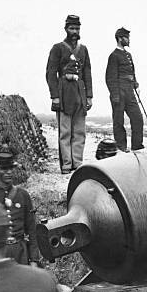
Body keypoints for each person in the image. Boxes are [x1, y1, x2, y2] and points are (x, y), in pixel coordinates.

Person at [0, 147, 39, 266]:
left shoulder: (23, 195)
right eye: (4, 169)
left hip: (21, 254)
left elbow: (32, 230)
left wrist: (34, 260)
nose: (9, 172)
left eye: (11, 168)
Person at [46, 14, 93, 173]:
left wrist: (89, 96)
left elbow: (87, 72)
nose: (74, 31)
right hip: (64, 92)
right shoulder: (57, 48)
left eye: (77, 28)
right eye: (72, 28)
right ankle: (66, 165)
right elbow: (50, 73)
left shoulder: (84, 50)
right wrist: (55, 97)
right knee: (65, 132)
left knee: (79, 131)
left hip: (80, 92)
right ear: (66, 29)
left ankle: (77, 164)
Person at [105, 27, 144, 152]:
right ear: (120, 38)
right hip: (119, 91)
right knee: (118, 121)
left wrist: (135, 85)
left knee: (137, 118)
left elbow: (132, 72)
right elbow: (110, 78)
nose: (129, 40)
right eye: (126, 37)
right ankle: (121, 147)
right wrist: (115, 95)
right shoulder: (114, 55)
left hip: (129, 91)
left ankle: (137, 146)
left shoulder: (128, 55)